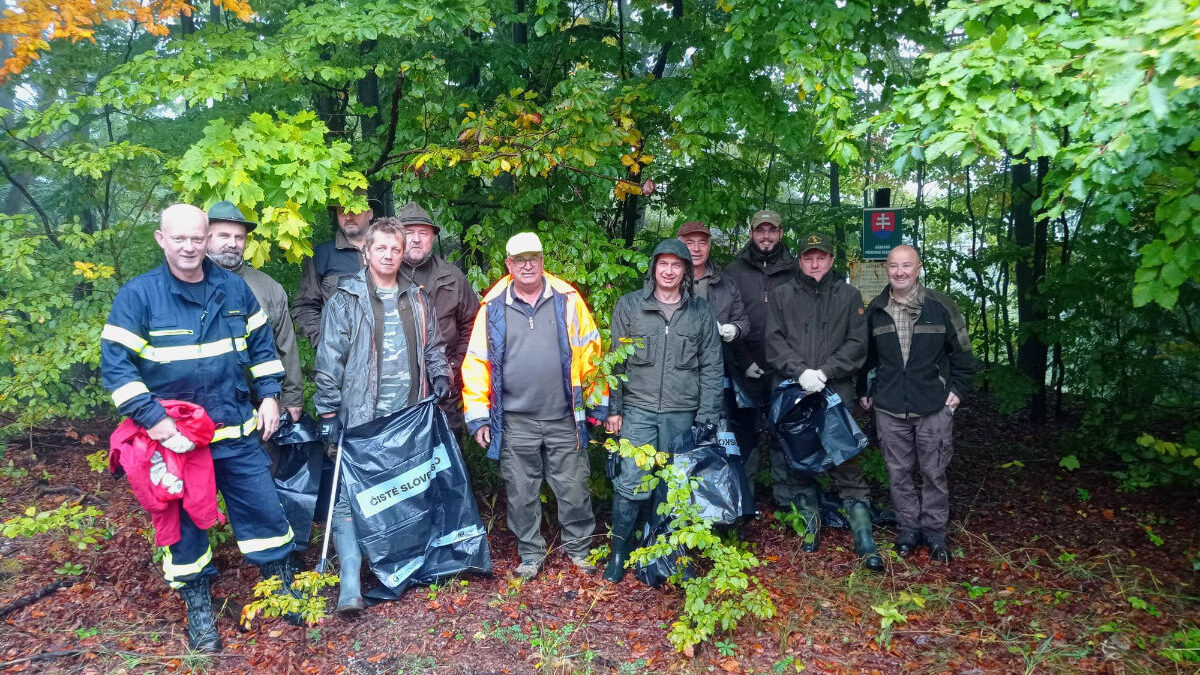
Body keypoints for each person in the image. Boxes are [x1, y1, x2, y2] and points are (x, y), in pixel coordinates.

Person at [101, 204, 298, 652]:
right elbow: (117, 369)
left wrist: (269, 394)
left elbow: (264, 347)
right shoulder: (139, 295)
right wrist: (157, 422)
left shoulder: (233, 289)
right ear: (161, 239)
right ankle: (200, 610)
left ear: (207, 238)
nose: (189, 247)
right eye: (179, 239)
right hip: (176, 444)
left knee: (266, 513)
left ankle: (282, 591)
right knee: (186, 531)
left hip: (236, 433)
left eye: (196, 238)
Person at [313, 217, 452, 613]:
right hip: (361, 415)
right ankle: (350, 584)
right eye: (382, 248)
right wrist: (327, 408)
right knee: (349, 494)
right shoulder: (346, 298)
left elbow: (434, 347)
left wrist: (441, 376)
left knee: (406, 486)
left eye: (396, 248)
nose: (389, 255)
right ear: (367, 252)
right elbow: (329, 359)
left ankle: (400, 566)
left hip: (408, 414)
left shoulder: (417, 296)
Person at [461, 232, 607, 580]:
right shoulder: (492, 306)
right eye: (519, 259)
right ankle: (530, 555)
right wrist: (479, 415)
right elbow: (477, 362)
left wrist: (597, 404)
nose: (527, 264)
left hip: (563, 417)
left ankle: (580, 550)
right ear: (509, 264)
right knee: (521, 493)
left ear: (543, 261)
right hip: (514, 421)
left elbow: (591, 353)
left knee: (573, 488)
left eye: (534, 257)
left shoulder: (567, 299)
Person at [605, 238, 724, 582]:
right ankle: (618, 554)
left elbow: (712, 368)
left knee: (678, 485)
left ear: (686, 270)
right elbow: (616, 363)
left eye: (676, 265)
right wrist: (615, 410)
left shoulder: (700, 312)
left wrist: (706, 418)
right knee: (631, 484)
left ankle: (673, 556)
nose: (669, 271)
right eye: (663, 264)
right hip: (638, 411)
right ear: (653, 268)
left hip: (683, 413)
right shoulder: (629, 306)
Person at [764, 232, 882, 571]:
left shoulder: (849, 296)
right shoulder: (782, 295)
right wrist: (801, 372)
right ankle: (809, 528)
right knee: (800, 461)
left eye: (821, 257)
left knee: (846, 458)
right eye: (808, 257)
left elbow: (858, 345)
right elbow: (773, 342)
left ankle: (863, 535)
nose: (814, 263)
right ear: (799, 260)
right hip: (794, 391)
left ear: (831, 260)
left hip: (836, 392)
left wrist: (826, 372)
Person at [858, 245, 974, 564]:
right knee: (899, 473)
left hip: (933, 406)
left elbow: (963, 355)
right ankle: (908, 529)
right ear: (886, 269)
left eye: (906, 265)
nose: (899, 272)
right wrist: (865, 390)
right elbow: (865, 359)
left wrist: (958, 391)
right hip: (890, 407)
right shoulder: (877, 309)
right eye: (894, 266)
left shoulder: (941, 305)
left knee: (935, 472)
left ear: (919, 268)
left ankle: (936, 534)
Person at [205, 201, 304, 424]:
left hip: (262, 404)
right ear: (206, 237)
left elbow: (286, 345)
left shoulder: (268, 287)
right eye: (224, 236)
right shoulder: (190, 283)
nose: (232, 244)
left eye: (239, 238)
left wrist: (293, 397)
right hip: (204, 407)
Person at [723, 209, 797, 482]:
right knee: (744, 429)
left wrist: (793, 362)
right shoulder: (734, 269)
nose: (766, 236)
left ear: (780, 233)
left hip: (785, 364)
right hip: (745, 363)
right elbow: (728, 320)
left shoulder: (795, 269)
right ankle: (745, 492)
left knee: (785, 426)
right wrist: (744, 361)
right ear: (751, 233)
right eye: (760, 230)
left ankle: (786, 493)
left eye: (772, 230)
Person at [398, 201, 481, 436]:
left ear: (432, 238)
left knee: (446, 455)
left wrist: (453, 366)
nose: (416, 239)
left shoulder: (452, 277)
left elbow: (473, 325)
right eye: (408, 233)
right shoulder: (384, 276)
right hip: (396, 390)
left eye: (423, 233)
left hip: (444, 389)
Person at [292, 198, 374, 346]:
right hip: (339, 360)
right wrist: (324, 344)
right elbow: (305, 307)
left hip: (386, 355)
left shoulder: (389, 252)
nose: (348, 217)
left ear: (369, 213)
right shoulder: (321, 254)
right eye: (341, 211)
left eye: (353, 210)